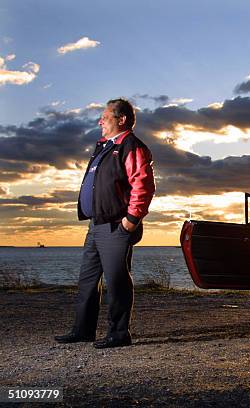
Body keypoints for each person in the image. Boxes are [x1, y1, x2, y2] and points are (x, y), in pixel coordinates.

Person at [55, 98, 155, 348]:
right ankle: (83, 330)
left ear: (121, 120)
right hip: (96, 225)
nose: (100, 121)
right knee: (88, 280)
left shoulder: (131, 146)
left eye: (105, 117)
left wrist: (130, 222)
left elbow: (142, 185)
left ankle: (119, 334)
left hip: (116, 226)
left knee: (117, 281)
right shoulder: (103, 147)